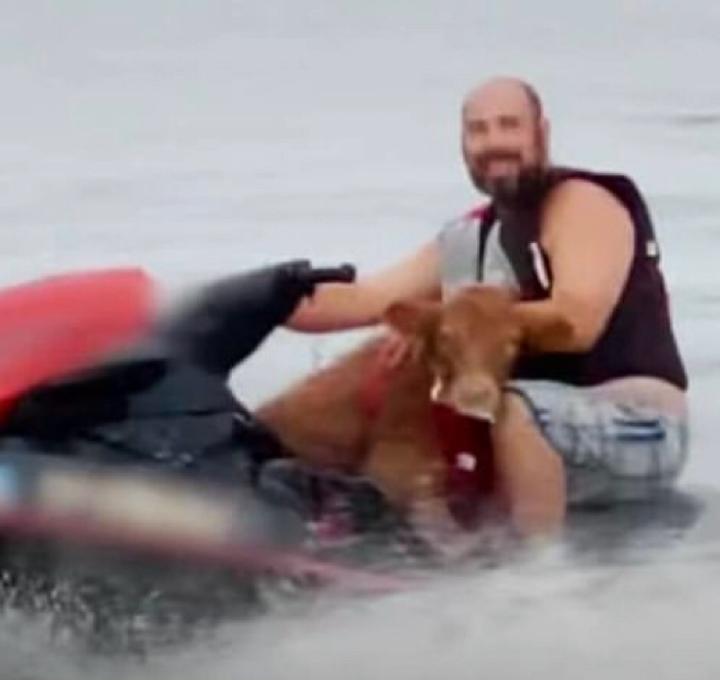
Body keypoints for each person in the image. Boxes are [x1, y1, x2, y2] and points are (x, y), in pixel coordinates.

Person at [286, 76, 689, 536]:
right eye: (478, 130)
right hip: (533, 431)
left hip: (636, 425)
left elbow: (577, 322)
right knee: (404, 387)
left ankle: (533, 578)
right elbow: (365, 299)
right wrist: (251, 299)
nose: (493, 142)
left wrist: (452, 323)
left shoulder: (582, 202)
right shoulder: (468, 237)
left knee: (516, 406)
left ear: (542, 132)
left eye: (508, 125)